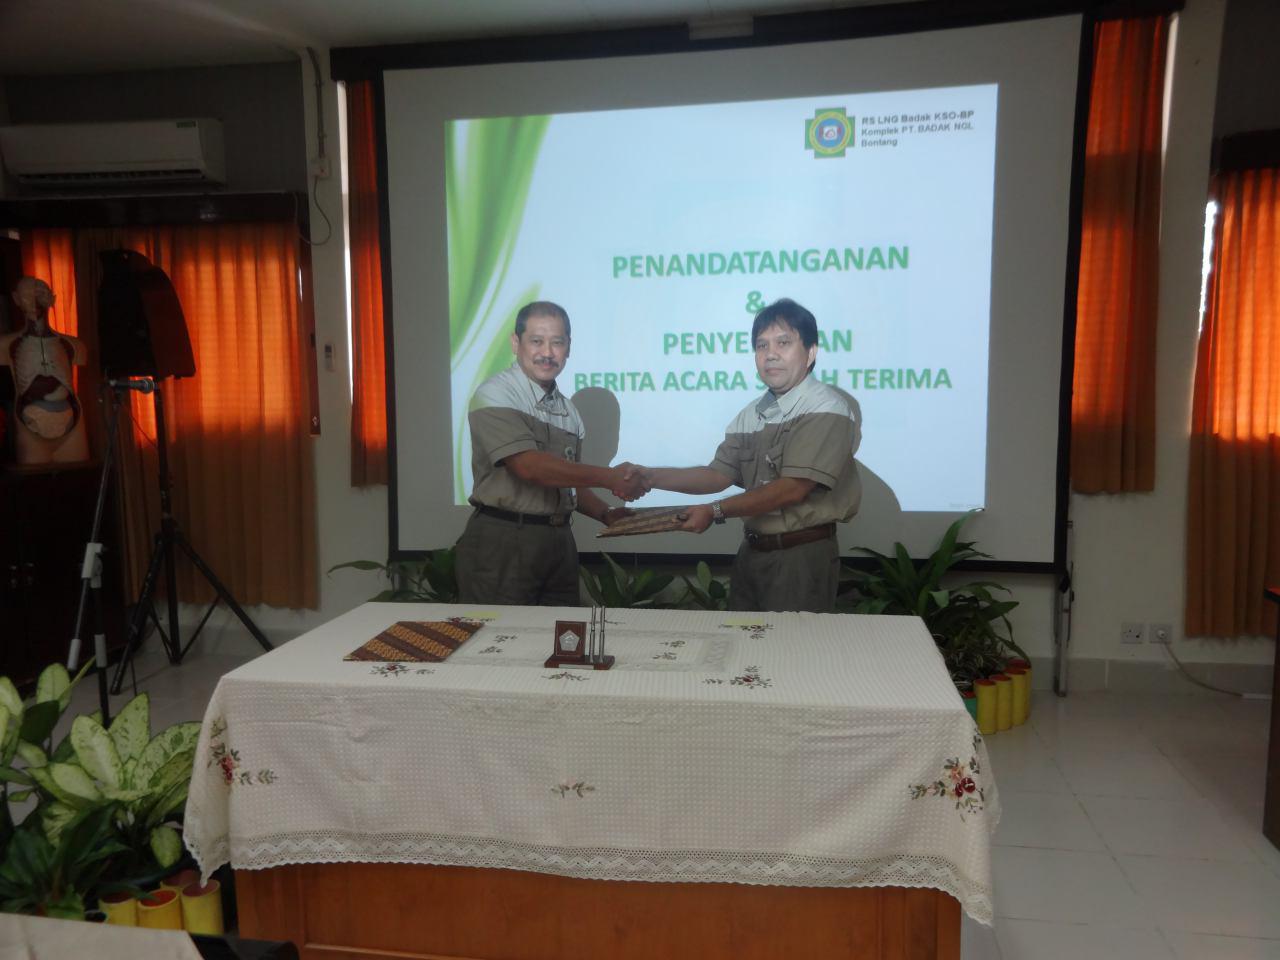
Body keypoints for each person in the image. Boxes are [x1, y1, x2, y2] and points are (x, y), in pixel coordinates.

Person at [628, 298, 861, 613]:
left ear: (811, 352)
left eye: (783, 343)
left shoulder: (825, 407)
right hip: (751, 553)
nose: (770, 354)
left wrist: (715, 511)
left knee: (789, 644)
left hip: (799, 556)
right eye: (762, 345)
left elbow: (793, 488)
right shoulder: (752, 413)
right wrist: (649, 476)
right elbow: (717, 475)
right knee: (742, 641)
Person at [456, 301, 644, 606]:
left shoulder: (569, 411)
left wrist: (605, 513)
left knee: (562, 631)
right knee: (501, 633)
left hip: (559, 540)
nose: (547, 352)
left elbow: (568, 484)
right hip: (504, 537)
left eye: (557, 342)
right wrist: (610, 477)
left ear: (568, 347)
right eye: (536, 341)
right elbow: (530, 467)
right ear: (515, 343)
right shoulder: (496, 394)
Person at [0, 277, 90, 466]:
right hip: (29, 423)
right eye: (28, 295)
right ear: (16, 299)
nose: (35, 301)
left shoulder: (74, 345)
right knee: (36, 480)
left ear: (51, 298)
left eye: (40, 294)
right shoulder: (5, 345)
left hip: (71, 423)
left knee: (77, 477)